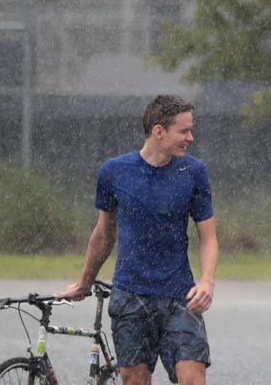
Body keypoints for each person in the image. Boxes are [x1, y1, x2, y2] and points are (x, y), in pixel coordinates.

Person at [59, 95, 218, 385]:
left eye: (191, 130)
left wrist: (206, 281)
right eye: (183, 131)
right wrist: (84, 282)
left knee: (194, 378)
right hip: (131, 297)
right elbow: (103, 235)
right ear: (159, 131)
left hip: (180, 296)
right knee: (134, 381)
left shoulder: (194, 173)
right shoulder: (114, 172)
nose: (191, 137)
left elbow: (208, 238)